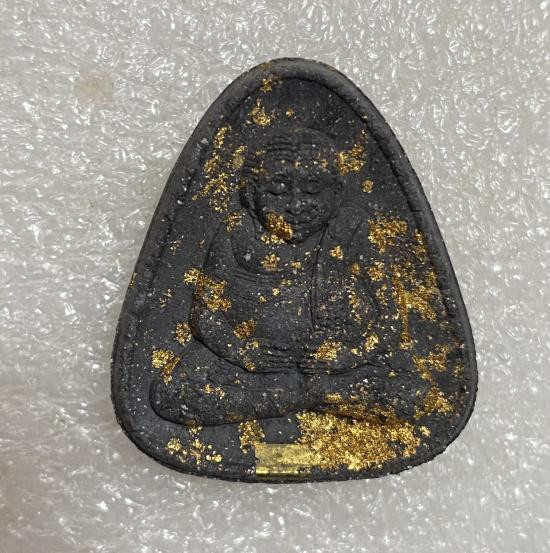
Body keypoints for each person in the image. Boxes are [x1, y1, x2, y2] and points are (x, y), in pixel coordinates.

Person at [150, 127, 427, 426]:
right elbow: (204, 312)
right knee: (171, 394)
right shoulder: (238, 231)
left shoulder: (352, 229)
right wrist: (241, 351)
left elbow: (392, 317)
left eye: (312, 190)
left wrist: (351, 354)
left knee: (414, 396)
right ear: (251, 194)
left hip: (333, 365)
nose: (295, 206)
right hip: (252, 364)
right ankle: (306, 398)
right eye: (277, 191)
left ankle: (294, 397)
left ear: (336, 193)